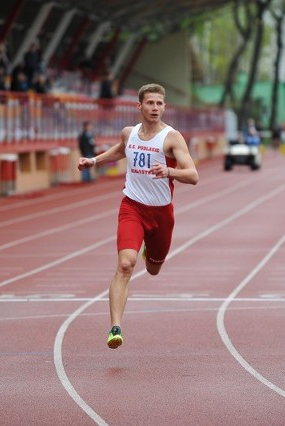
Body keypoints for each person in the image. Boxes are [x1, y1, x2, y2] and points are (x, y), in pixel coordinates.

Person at [77, 83, 199, 349]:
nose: (155, 108)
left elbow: (193, 175)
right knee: (125, 264)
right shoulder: (129, 133)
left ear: (164, 107)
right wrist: (94, 161)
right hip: (132, 207)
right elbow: (121, 150)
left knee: (153, 269)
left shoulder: (171, 137)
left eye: (160, 104)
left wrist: (170, 172)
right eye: (150, 103)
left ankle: (150, 253)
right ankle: (115, 327)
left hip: (161, 214)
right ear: (140, 106)